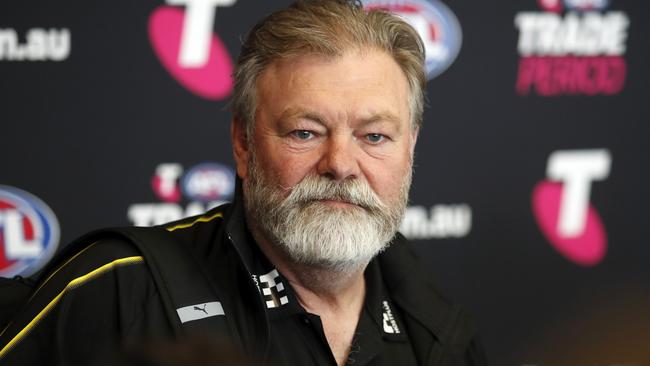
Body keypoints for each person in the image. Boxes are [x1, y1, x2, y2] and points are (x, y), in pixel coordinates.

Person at [0, 1, 486, 365]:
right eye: (305, 132)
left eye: (374, 135)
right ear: (242, 142)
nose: (340, 163)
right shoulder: (122, 290)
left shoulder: (438, 328)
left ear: (411, 147)